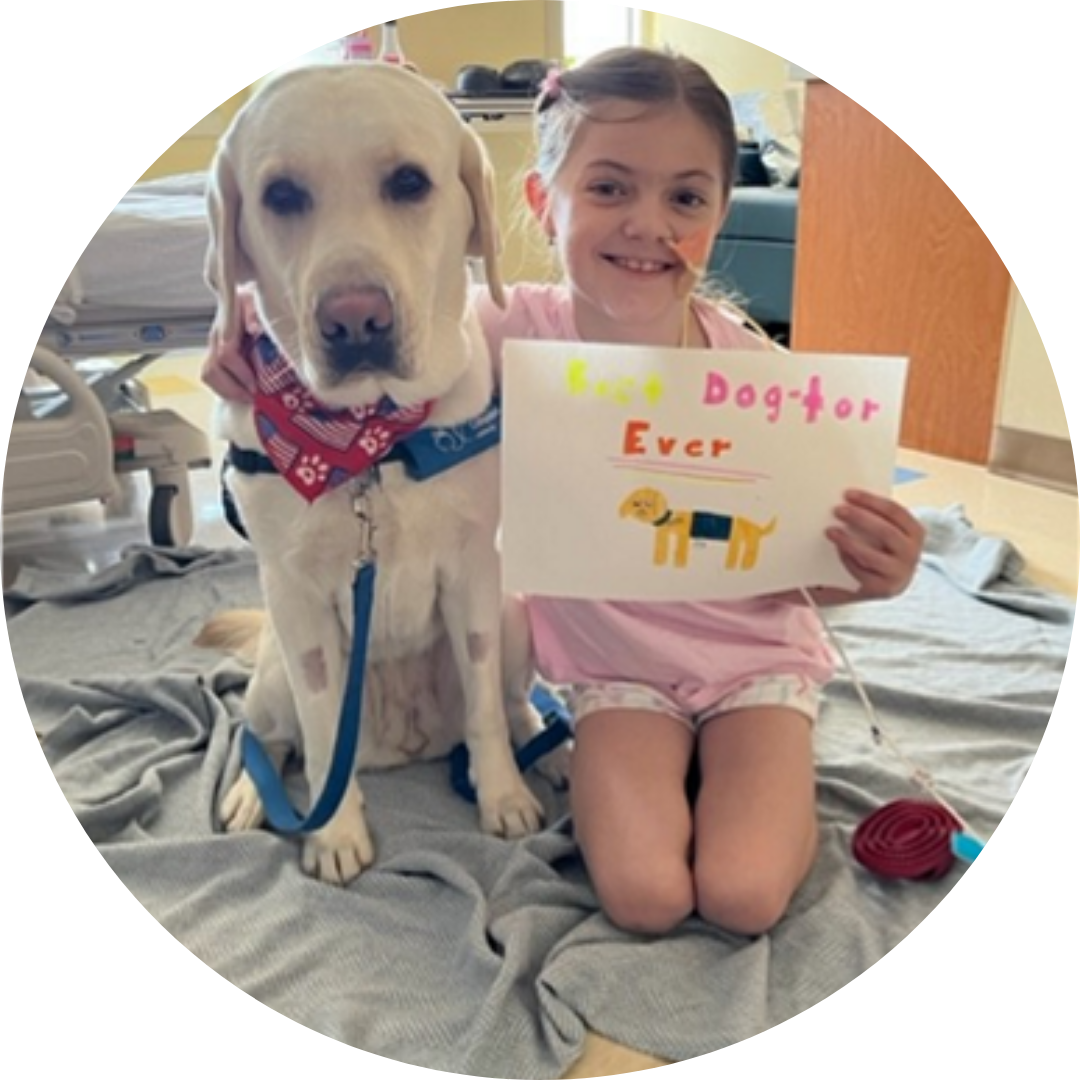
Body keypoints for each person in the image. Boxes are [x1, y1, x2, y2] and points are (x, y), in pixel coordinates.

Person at [202, 46, 925, 937]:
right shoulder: (504, 331)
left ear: (720, 214)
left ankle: (748, 770)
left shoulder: (764, 377)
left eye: (687, 198)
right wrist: (243, 353)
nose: (647, 225)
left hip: (758, 664)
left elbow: (819, 553)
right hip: (617, 681)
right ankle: (692, 776)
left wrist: (880, 571)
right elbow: (379, 325)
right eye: (611, 189)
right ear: (543, 204)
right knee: (646, 899)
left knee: (743, 895)